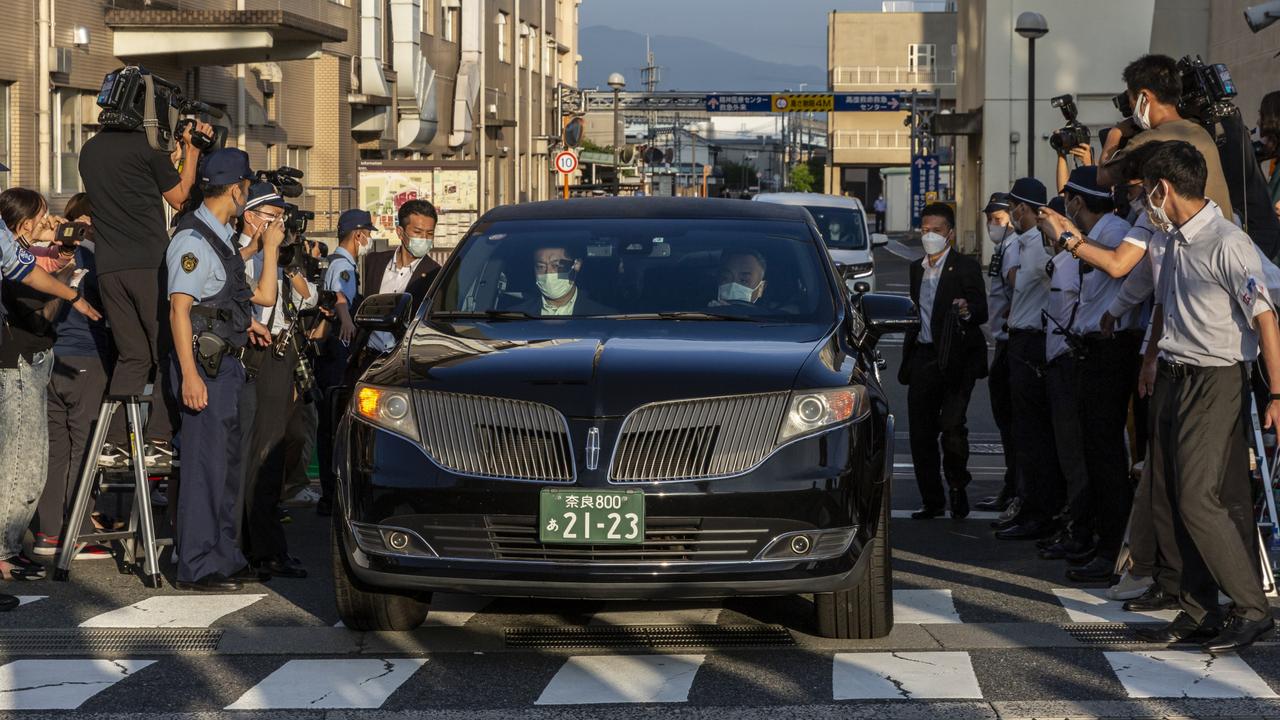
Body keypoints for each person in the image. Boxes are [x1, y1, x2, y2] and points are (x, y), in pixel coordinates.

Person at [1134, 140, 1279, 652]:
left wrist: (1278, 393)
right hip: (1175, 375)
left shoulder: (1226, 242)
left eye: (1146, 191)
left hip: (1215, 379)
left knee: (1199, 496)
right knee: (1174, 494)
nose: (1144, 202)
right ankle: (1200, 609)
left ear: (1163, 188)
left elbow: (1265, 317)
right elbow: (1164, 309)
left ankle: (1253, 608)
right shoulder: (1173, 241)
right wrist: (1152, 360)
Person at [165, 148, 283, 592]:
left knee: (227, 466)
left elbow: (220, 299)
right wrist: (191, 376)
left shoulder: (219, 236)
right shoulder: (193, 239)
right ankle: (197, 565)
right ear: (235, 189)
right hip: (206, 368)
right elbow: (181, 311)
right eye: (246, 187)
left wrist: (245, 323)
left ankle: (225, 556)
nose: (246, 194)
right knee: (204, 467)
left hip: (226, 364)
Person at [80, 118, 211, 468]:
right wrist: (194, 149)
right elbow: (180, 195)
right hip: (147, 263)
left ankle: (115, 442)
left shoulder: (90, 149)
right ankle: (158, 438)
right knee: (166, 350)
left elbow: (142, 177)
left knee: (132, 355)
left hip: (109, 268)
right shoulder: (146, 145)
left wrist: (178, 152)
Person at [0, 190, 102, 583]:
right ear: (24, 223)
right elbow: (33, 296)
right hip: (17, 361)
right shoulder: (11, 251)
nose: (50, 223)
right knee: (21, 462)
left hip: (32, 360)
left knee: (34, 460)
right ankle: (5, 552)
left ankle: (9, 548)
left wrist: (60, 261)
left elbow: (33, 273)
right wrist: (71, 290)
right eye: (43, 217)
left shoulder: (25, 251)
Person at [239, 183, 316, 579]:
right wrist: (265, 247)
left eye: (282, 217)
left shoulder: (277, 252)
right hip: (258, 352)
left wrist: (291, 262)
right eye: (271, 216)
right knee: (262, 455)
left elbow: (308, 300)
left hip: (282, 353)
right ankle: (260, 547)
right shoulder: (240, 251)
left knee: (279, 448)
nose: (279, 224)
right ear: (250, 215)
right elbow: (257, 299)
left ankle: (267, 545)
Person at [35, 193, 114, 560]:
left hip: (50, 357)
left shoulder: (49, 256)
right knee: (85, 448)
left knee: (55, 450)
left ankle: (49, 532)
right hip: (87, 356)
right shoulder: (97, 257)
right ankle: (79, 530)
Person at [899, 203, 988, 520]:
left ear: (950, 233)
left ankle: (957, 486)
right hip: (923, 356)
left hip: (957, 358)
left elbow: (981, 310)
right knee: (920, 433)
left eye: (936, 231)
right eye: (925, 231)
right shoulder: (916, 269)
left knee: (952, 428)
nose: (930, 237)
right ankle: (932, 500)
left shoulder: (965, 267)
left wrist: (966, 308)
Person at [996, 178, 1061, 541]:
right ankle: (1028, 505)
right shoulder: (1025, 242)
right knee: (1024, 432)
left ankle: (1039, 511)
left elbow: (1041, 281)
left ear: (1024, 208)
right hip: (1022, 339)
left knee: (1033, 435)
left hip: (1032, 341)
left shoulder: (1037, 243)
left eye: (1014, 207)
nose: (1011, 214)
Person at [1097, 54, 1232, 219]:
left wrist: (1115, 133)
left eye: (1131, 98)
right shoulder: (1199, 131)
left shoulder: (1149, 140)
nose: (1131, 107)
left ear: (1144, 97)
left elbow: (1103, 177)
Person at [315, 209, 376, 516]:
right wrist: (348, 322)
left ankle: (329, 493)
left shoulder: (339, 263)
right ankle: (331, 494)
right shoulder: (343, 266)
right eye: (367, 234)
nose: (368, 240)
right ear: (357, 235)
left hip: (331, 352)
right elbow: (339, 296)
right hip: (336, 353)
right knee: (334, 422)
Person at [975, 194, 1020, 514]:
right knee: (1007, 421)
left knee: (1014, 422)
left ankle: (1017, 489)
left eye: (999, 219)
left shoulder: (1016, 246)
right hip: (1003, 340)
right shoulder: (1004, 247)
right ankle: (1013, 487)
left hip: (1012, 340)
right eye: (990, 219)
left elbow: (1021, 286)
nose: (993, 225)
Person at [362, 199, 442, 356]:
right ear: (400, 232)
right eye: (418, 232)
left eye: (430, 233)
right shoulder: (374, 262)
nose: (424, 239)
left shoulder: (435, 274)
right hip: (369, 356)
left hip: (405, 360)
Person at [513, 245, 611, 315]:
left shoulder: (603, 316)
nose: (548, 273)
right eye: (541, 266)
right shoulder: (516, 316)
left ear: (576, 265)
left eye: (556, 266)